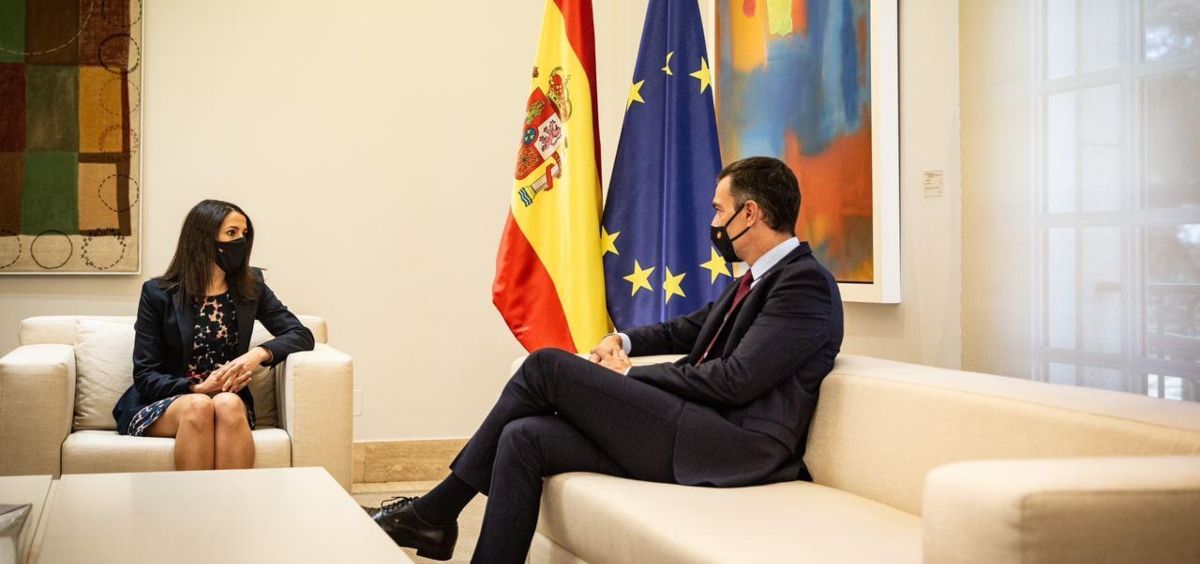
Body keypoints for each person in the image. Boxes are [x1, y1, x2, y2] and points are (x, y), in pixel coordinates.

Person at [370, 156, 844, 563]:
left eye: (720, 210)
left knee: (545, 367)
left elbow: (736, 380)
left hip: (733, 447)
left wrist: (632, 376)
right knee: (524, 436)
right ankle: (448, 530)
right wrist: (621, 340)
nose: (715, 222)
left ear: (751, 213)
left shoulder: (804, 284)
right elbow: (688, 328)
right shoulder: (754, 279)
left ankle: (435, 513)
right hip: (697, 426)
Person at [112, 199, 315, 471]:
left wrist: (258, 355)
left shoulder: (252, 287)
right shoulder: (158, 293)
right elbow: (145, 374)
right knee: (199, 406)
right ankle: (194, 500)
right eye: (231, 233)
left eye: (244, 234)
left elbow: (301, 334)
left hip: (227, 399)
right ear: (203, 238)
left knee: (227, 403)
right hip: (169, 401)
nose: (241, 241)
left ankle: (233, 499)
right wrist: (197, 388)